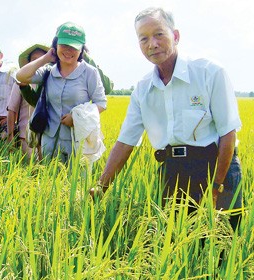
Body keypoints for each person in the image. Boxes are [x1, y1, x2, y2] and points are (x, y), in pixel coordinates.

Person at [95, 7, 242, 228]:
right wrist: (100, 187)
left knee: (221, 249)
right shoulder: (143, 90)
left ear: (176, 36)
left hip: (216, 165)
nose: (152, 44)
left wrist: (217, 186)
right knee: (177, 245)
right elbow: (126, 141)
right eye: (143, 38)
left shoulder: (209, 73)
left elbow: (227, 133)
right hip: (173, 171)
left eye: (159, 34)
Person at [16, 22, 107, 162]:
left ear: (81, 49)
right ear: (55, 46)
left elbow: (101, 103)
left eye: (74, 47)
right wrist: (46, 58)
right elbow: (21, 76)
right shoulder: (48, 71)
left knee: (75, 181)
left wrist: (77, 118)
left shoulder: (90, 72)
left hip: (77, 140)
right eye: (64, 45)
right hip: (49, 140)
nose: (68, 51)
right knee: (48, 180)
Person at [7, 44, 49, 159]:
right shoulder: (21, 82)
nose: (40, 63)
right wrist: (10, 136)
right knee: (30, 169)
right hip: (26, 135)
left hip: (49, 134)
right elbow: (12, 109)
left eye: (43, 59)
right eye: (35, 60)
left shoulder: (52, 81)